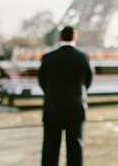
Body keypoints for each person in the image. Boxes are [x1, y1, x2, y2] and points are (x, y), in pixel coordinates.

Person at [38, 26, 94, 166]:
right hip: (75, 107)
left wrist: (53, 94)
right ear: (75, 38)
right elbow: (88, 82)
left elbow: (42, 82)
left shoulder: (48, 58)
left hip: (52, 108)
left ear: (60, 38)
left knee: (50, 150)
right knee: (75, 150)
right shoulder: (84, 58)